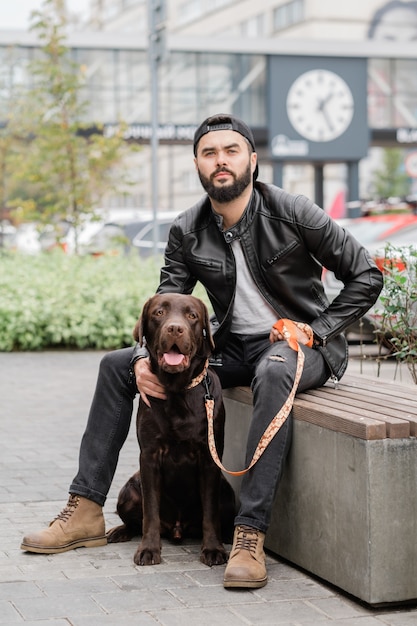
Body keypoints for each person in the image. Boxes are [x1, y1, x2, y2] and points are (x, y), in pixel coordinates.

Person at [21, 113, 383, 589]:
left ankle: (249, 533)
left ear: (252, 159)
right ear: (197, 163)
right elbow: (165, 306)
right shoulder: (187, 228)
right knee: (115, 365)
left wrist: (317, 330)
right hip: (232, 348)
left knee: (274, 370)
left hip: (301, 346)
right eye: (210, 153)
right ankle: (86, 507)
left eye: (231, 150)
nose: (221, 161)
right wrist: (140, 362)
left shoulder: (293, 210)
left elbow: (367, 275)